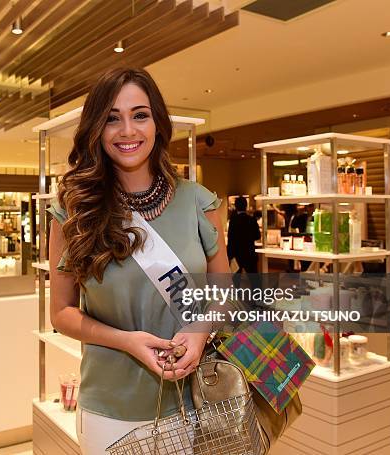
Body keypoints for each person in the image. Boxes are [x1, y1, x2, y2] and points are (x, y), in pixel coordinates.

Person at [48, 68, 230, 454]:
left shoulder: (198, 201)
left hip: (195, 403)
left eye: (140, 115)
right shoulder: (73, 211)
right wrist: (126, 341)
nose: (127, 130)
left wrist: (199, 332)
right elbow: (61, 313)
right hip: (111, 412)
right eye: (112, 118)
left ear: (158, 123)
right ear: (96, 128)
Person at [227, 196, 260, 288]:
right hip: (249, 253)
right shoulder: (251, 220)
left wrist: (230, 255)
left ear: (236, 207)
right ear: (246, 206)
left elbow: (230, 239)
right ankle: (258, 300)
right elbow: (257, 236)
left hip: (236, 255)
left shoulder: (233, 221)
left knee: (235, 281)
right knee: (255, 281)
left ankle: (235, 301)